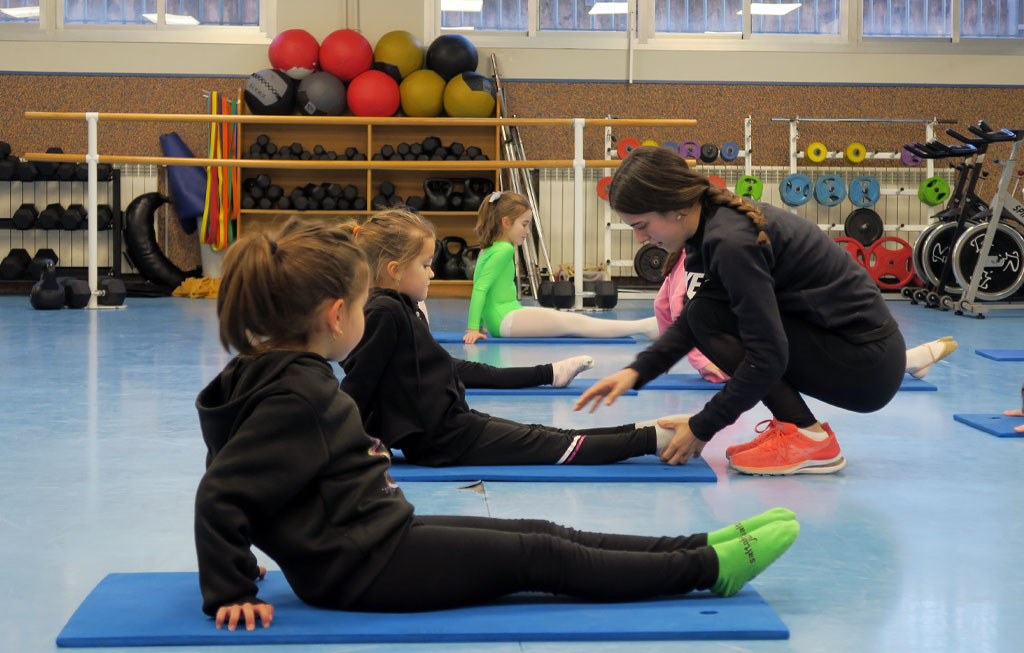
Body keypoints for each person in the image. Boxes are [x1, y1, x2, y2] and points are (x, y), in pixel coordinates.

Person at [193, 217, 800, 630]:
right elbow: (222, 492)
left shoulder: (268, 372)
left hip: (373, 540)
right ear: (334, 313)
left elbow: (233, 468)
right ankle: (707, 570)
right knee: (539, 555)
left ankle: (696, 547)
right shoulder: (298, 390)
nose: (363, 316)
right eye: (357, 306)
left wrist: (249, 561)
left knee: (540, 531)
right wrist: (231, 589)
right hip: (364, 568)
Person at [575, 147, 958, 476]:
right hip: (859, 352)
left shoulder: (730, 241)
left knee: (714, 321)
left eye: (641, 226)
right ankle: (800, 430)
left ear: (674, 207)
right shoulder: (710, 223)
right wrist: (636, 370)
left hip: (867, 367)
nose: (641, 238)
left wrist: (702, 426)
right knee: (704, 314)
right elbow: (698, 318)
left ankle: (809, 438)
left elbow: (768, 356)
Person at [340, 209, 679, 467]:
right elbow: (359, 385)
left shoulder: (400, 307)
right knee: (558, 447)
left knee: (550, 436)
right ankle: (653, 438)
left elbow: (423, 369)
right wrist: (356, 447)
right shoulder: (385, 311)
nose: (432, 272)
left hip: (454, 426)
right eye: (426, 264)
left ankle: (648, 431)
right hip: (444, 441)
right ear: (394, 270)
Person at [463, 191, 659, 344]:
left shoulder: (486, 250)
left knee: (572, 321)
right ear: (505, 222)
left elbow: (481, 288)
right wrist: (473, 328)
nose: (527, 231)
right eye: (524, 224)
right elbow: (480, 289)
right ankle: (643, 326)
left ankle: (643, 326)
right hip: (505, 319)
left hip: (503, 318)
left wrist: (480, 325)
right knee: (574, 323)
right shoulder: (504, 249)